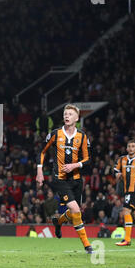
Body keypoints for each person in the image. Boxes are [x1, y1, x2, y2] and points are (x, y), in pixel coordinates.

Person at [36, 104, 93, 254]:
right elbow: (42, 152)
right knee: (75, 209)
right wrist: (40, 171)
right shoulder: (55, 134)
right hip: (59, 178)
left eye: (70, 114)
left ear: (76, 118)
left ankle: (58, 221)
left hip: (76, 179)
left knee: (75, 210)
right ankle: (87, 245)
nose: (66, 116)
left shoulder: (82, 136)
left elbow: (88, 159)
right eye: (65, 114)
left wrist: (75, 165)